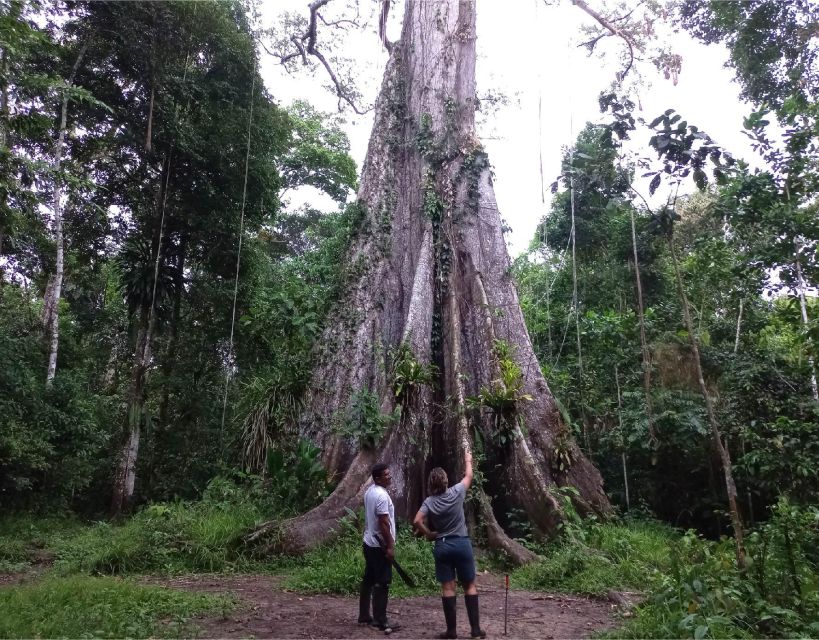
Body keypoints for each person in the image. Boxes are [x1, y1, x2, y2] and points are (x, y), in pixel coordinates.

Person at [414, 450, 486, 639]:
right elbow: (469, 475)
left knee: (448, 588)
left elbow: (416, 521)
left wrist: (429, 534)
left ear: (431, 484)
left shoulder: (429, 502)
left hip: (443, 546)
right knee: (469, 585)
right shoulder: (457, 491)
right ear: (446, 481)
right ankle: (475, 630)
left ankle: (452, 631)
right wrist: (468, 459)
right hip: (461, 544)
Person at [359, 462, 401, 634]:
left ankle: (364, 615)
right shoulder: (381, 496)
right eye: (386, 474)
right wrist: (390, 546)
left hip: (368, 542)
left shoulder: (370, 491)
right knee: (382, 582)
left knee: (369, 578)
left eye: (389, 473)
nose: (389, 476)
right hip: (379, 546)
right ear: (377, 478)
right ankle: (380, 619)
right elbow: (383, 523)